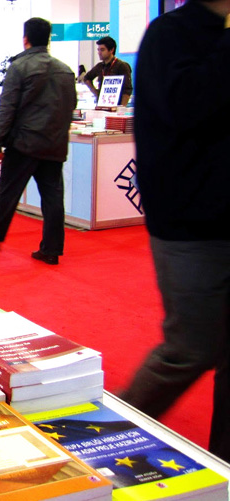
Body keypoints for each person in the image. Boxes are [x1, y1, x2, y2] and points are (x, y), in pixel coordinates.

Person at [120, 0, 230, 462]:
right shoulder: (171, 34)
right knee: (190, 348)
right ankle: (106, 436)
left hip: (210, 215)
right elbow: (189, 105)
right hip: (191, 223)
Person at [0, 17, 77, 265]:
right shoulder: (65, 69)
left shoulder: (20, 67)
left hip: (25, 142)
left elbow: (7, 109)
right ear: (48, 39)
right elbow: (71, 106)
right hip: (54, 142)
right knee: (53, 198)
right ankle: (51, 249)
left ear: (25, 38)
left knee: (7, 193)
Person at [83, 36, 133, 106]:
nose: (99, 53)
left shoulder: (122, 66)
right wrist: (96, 93)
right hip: (102, 105)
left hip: (117, 105)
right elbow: (86, 78)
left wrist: (122, 107)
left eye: (102, 50)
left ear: (111, 50)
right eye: (98, 50)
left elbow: (127, 89)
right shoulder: (99, 66)